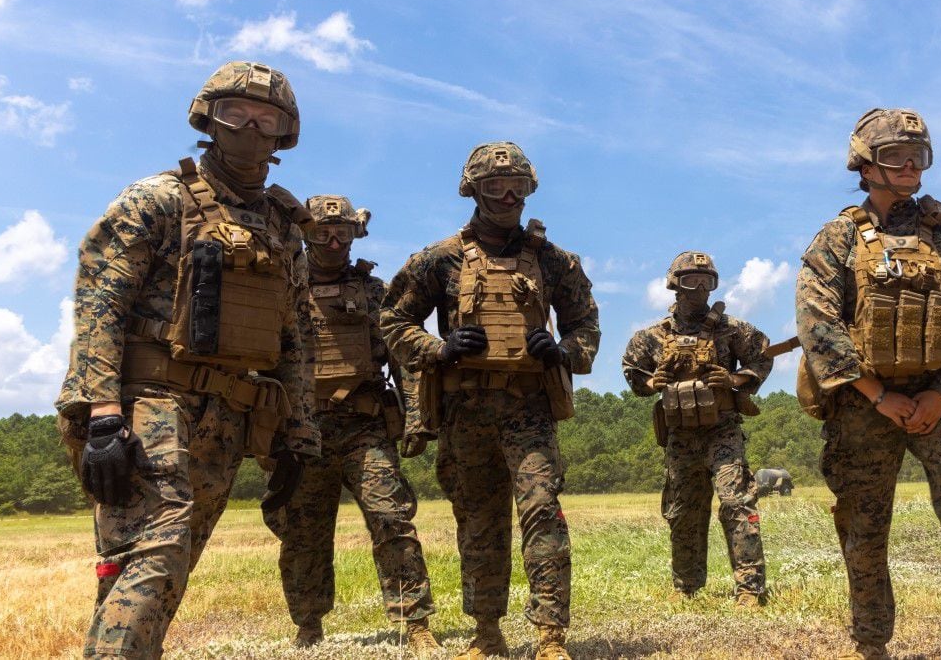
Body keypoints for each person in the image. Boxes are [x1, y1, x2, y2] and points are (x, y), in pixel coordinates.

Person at [54, 61, 318, 658]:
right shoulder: (158, 200)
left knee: (162, 565)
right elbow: (100, 306)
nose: (250, 127)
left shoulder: (284, 228)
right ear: (208, 119)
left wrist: (298, 436)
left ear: (284, 133)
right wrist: (100, 413)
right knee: (159, 544)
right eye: (235, 114)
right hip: (147, 401)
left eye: (266, 118)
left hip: (229, 416)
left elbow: (297, 336)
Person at [795, 108, 941, 660]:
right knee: (863, 528)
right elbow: (817, 324)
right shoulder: (837, 239)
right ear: (863, 163)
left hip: (938, 401)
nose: (908, 164)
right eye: (893, 155)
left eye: (918, 155)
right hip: (864, 405)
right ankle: (870, 645)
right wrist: (879, 396)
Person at [380, 141, 599, 660]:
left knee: (542, 511)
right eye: (496, 185)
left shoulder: (554, 261)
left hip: (529, 409)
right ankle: (486, 634)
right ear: (473, 190)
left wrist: (561, 350)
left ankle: (550, 637)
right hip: (466, 412)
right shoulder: (439, 259)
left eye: (518, 186)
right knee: (478, 521)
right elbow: (392, 319)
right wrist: (438, 347)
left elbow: (586, 326)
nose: (508, 194)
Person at [261, 196, 440, 652]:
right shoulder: (281, 290)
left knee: (391, 519)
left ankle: (416, 623)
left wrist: (417, 417)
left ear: (356, 233)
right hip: (302, 433)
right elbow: (262, 364)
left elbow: (404, 359)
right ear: (305, 234)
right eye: (322, 231)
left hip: (365, 428)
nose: (333, 240)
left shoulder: (374, 293)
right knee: (302, 534)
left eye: (342, 231)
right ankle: (307, 625)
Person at [621, 252, 772, 607]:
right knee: (684, 509)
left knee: (737, 502)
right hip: (680, 435)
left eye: (708, 281)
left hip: (723, 430)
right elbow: (631, 368)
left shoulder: (731, 328)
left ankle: (750, 589)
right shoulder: (654, 336)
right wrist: (649, 382)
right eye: (692, 280)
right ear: (675, 284)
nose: (701, 288)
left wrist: (735, 378)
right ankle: (687, 586)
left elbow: (762, 355)